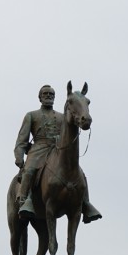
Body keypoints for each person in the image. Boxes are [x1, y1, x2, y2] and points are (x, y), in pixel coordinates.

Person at [14, 84, 102, 223]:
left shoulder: (62, 117)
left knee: (80, 173)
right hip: (38, 149)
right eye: (45, 94)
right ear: (40, 97)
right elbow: (21, 139)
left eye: (51, 94)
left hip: (57, 149)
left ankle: (86, 204)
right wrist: (19, 156)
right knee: (29, 171)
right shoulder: (31, 115)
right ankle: (25, 202)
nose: (48, 96)